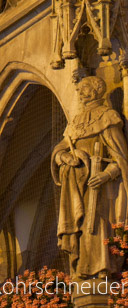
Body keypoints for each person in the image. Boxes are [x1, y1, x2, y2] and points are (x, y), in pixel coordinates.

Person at [51, 74, 128, 279]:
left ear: (95, 90)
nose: (79, 91)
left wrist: (105, 175)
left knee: (97, 223)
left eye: (84, 87)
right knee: (81, 225)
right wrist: (64, 157)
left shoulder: (107, 116)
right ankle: (82, 271)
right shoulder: (75, 122)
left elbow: (120, 157)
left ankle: (102, 269)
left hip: (99, 184)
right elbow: (61, 148)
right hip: (75, 184)